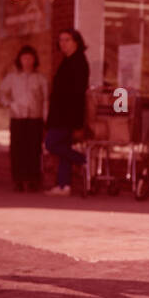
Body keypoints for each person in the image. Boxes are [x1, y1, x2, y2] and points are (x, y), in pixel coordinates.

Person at [44, 29, 89, 197]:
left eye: (67, 40)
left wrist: (76, 118)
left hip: (66, 114)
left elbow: (77, 92)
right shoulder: (67, 60)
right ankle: (64, 185)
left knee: (52, 144)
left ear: (76, 42)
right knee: (64, 149)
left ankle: (84, 160)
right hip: (60, 112)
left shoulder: (78, 62)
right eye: (61, 40)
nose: (63, 43)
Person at [0, 45, 48, 191]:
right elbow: (2, 94)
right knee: (17, 149)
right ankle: (18, 179)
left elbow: (45, 99)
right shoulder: (12, 78)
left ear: (34, 60)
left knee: (33, 149)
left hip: (35, 117)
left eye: (30, 58)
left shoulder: (40, 78)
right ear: (20, 60)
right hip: (17, 117)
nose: (27, 61)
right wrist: (10, 104)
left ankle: (33, 179)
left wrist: (45, 117)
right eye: (24, 58)